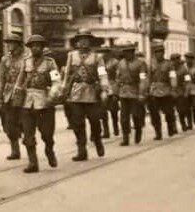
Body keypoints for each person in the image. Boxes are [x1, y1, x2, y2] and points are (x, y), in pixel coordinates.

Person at [61, 29, 109, 161]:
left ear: (90, 41)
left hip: (92, 92)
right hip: (76, 93)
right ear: (77, 42)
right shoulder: (71, 55)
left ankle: (98, 140)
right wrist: (64, 88)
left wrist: (105, 89)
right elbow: (67, 74)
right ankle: (81, 150)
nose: (83, 42)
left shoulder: (97, 57)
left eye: (86, 39)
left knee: (94, 121)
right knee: (77, 123)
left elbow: (102, 74)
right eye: (80, 39)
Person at [13, 34, 60, 173]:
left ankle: (49, 150)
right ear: (30, 47)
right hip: (28, 102)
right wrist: (17, 93)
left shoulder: (50, 63)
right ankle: (33, 162)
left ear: (42, 47)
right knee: (28, 134)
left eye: (38, 45)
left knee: (47, 133)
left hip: (44, 102)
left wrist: (53, 94)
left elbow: (56, 81)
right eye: (33, 46)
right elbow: (20, 80)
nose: (35, 48)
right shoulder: (26, 62)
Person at [0, 34, 27, 161]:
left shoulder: (26, 58)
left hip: (23, 94)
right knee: (10, 124)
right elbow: (1, 79)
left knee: (24, 122)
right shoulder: (5, 60)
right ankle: (15, 149)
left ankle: (28, 143)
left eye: (13, 43)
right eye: (8, 43)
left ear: (19, 45)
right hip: (8, 94)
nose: (10, 45)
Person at [114, 43, 148, 146]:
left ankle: (138, 130)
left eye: (129, 52)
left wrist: (142, 93)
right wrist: (115, 92)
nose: (127, 54)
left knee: (136, 115)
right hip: (123, 93)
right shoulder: (120, 63)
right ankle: (125, 137)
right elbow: (117, 78)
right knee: (123, 117)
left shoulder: (140, 63)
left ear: (133, 52)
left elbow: (143, 79)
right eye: (125, 52)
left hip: (135, 92)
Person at [147, 42, 177, 140]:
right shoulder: (151, 64)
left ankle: (170, 126)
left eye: (160, 52)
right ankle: (158, 132)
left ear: (163, 53)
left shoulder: (169, 64)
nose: (158, 54)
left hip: (166, 90)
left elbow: (173, 77)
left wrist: (173, 88)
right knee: (154, 113)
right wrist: (147, 89)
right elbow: (149, 77)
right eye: (156, 52)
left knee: (168, 112)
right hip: (154, 90)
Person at [100, 47, 120, 138]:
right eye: (103, 52)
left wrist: (116, 91)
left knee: (113, 111)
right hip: (103, 88)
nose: (104, 54)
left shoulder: (115, 62)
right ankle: (106, 131)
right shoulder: (100, 63)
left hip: (112, 86)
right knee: (103, 112)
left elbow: (118, 76)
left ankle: (116, 128)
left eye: (106, 52)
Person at [169, 53, 190, 131]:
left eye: (176, 59)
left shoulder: (184, 69)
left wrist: (186, 91)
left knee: (181, 110)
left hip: (180, 91)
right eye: (172, 60)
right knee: (171, 111)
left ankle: (183, 123)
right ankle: (174, 127)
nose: (174, 61)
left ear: (178, 60)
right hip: (170, 91)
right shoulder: (170, 69)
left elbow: (187, 81)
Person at [183, 52, 195, 129]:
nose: (188, 60)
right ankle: (189, 124)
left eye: (190, 59)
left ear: (192, 60)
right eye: (187, 59)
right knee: (187, 107)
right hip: (186, 91)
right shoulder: (184, 69)